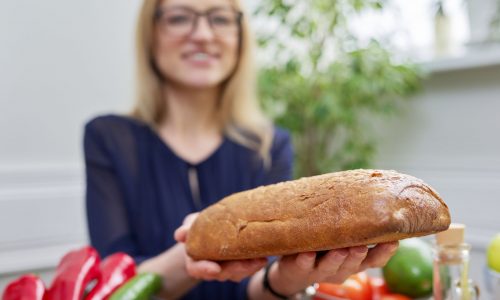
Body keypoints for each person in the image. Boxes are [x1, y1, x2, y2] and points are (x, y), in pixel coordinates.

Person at [83, 0, 399, 299]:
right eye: (179, 17)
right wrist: (202, 244)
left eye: (219, 18)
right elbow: (116, 281)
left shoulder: (270, 145)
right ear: (150, 34)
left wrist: (292, 276)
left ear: (240, 38)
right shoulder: (109, 138)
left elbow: (258, 285)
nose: (203, 35)